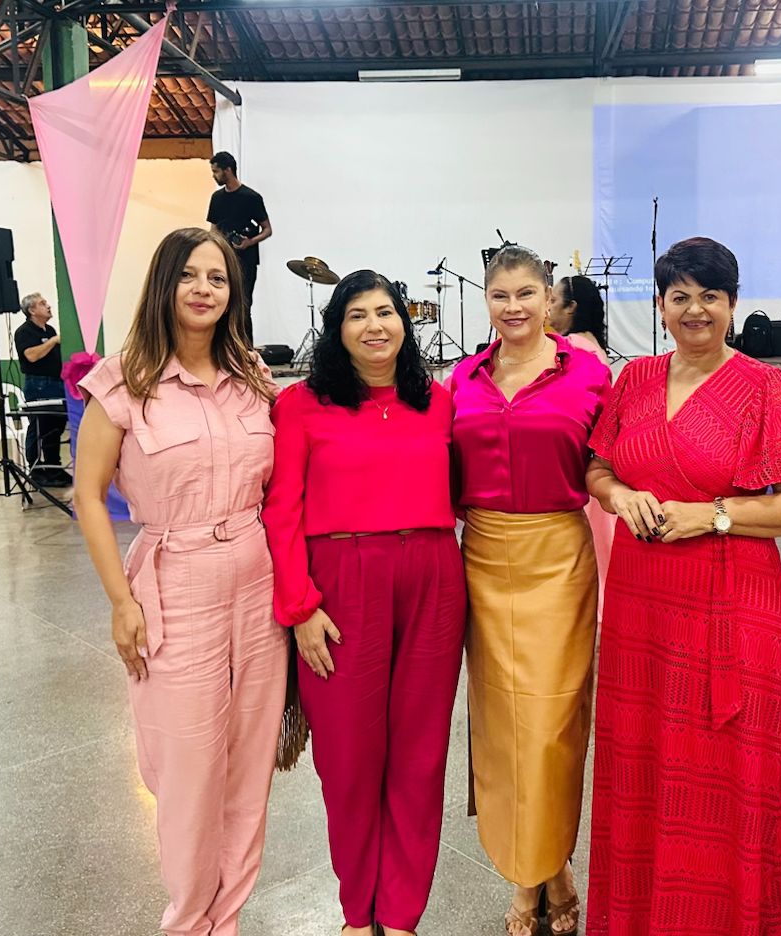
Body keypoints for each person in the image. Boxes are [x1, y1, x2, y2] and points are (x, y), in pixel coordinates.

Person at [585, 236, 781, 936]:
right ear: (661, 306)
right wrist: (619, 495)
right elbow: (598, 467)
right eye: (680, 296)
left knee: (727, 768)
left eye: (710, 296)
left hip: (731, 601)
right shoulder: (634, 379)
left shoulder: (763, 387)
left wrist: (714, 515)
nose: (695, 310)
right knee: (643, 758)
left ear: (733, 304)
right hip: (642, 602)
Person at [73, 227, 285, 936]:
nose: (204, 289)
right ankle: (189, 921)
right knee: (189, 768)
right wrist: (120, 600)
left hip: (257, 580)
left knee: (250, 762)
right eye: (190, 275)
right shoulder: (122, 381)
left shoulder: (252, 378)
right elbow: (88, 494)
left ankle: (228, 918)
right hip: (177, 578)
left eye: (218, 278)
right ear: (164, 284)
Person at [264, 270, 464, 936]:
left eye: (386, 312)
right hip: (340, 583)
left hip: (432, 577)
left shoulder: (437, 402)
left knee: (420, 753)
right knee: (348, 758)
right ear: (336, 329)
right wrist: (299, 607)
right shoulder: (301, 405)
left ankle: (401, 913)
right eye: (357, 315)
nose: (375, 326)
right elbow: (281, 509)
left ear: (405, 323)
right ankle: (359, 911)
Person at [454, 250, 613, 936]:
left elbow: (611, 462)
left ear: (550, 300)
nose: (513, 306)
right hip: (483, 558)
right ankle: (534, 875)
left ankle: (551, 861)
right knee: (501, 727)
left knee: (552, 726)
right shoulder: (463, 378)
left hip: (558, 558)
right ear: (487, 301)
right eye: (500, 295)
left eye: (526, 293)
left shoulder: (589, 373)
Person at [549, 274, 618, 614]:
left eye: (553, 301)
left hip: (577, 468)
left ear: (571, 308)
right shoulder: (594, 347)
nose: (547, 309)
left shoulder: (572, 349)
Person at [14, 292, 71, 486]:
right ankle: (36, 469)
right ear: (32, 310)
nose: (48, 306)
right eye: (42, 303)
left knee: (56, 427)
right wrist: (53, 341)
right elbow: (31, 356)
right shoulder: (25, 332)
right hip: (39, 385)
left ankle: (54, 468)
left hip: (56, 383)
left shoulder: (50, 329)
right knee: (39, 426)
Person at [207, 151, 272, 311]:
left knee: (243, 306)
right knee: (223, 304)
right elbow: (213, 229)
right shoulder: (216, 198)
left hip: (246, 260)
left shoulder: (251, 197)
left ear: (227, 170)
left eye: (216, 171)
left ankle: (243, 329)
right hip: (223, 259)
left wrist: (250, 242)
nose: (214, 176)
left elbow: (267, 229)